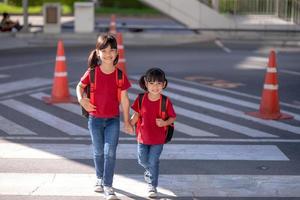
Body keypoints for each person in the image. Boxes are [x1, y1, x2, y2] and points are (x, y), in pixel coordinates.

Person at [76, 33, 133, 200]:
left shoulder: (120, 75)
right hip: (94, 120)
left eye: (112, 50)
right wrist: (81, 100)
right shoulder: (92, 73)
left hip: (113, 120)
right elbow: (80, 86)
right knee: (99, 151)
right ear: (98, 52)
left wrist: (127, 121)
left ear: (117, 53)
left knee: (110, 152)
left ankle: (108, 185)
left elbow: (124, 98)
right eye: (105, 50)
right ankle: (99, 178)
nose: (108, 54)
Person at [130, 68, 176, 198]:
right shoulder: (140, 99)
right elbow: (136, 115)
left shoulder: (165, 101)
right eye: (151, 83)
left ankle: (152, 186)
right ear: (146, 83)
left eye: (158, 83)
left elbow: (172, 117)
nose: (155, 87)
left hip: (158, 138)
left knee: (153, 161)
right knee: (142, 160)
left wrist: (164, 123)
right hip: (142, 138)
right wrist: (129, 124)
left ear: (164, 84)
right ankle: (149, 171)